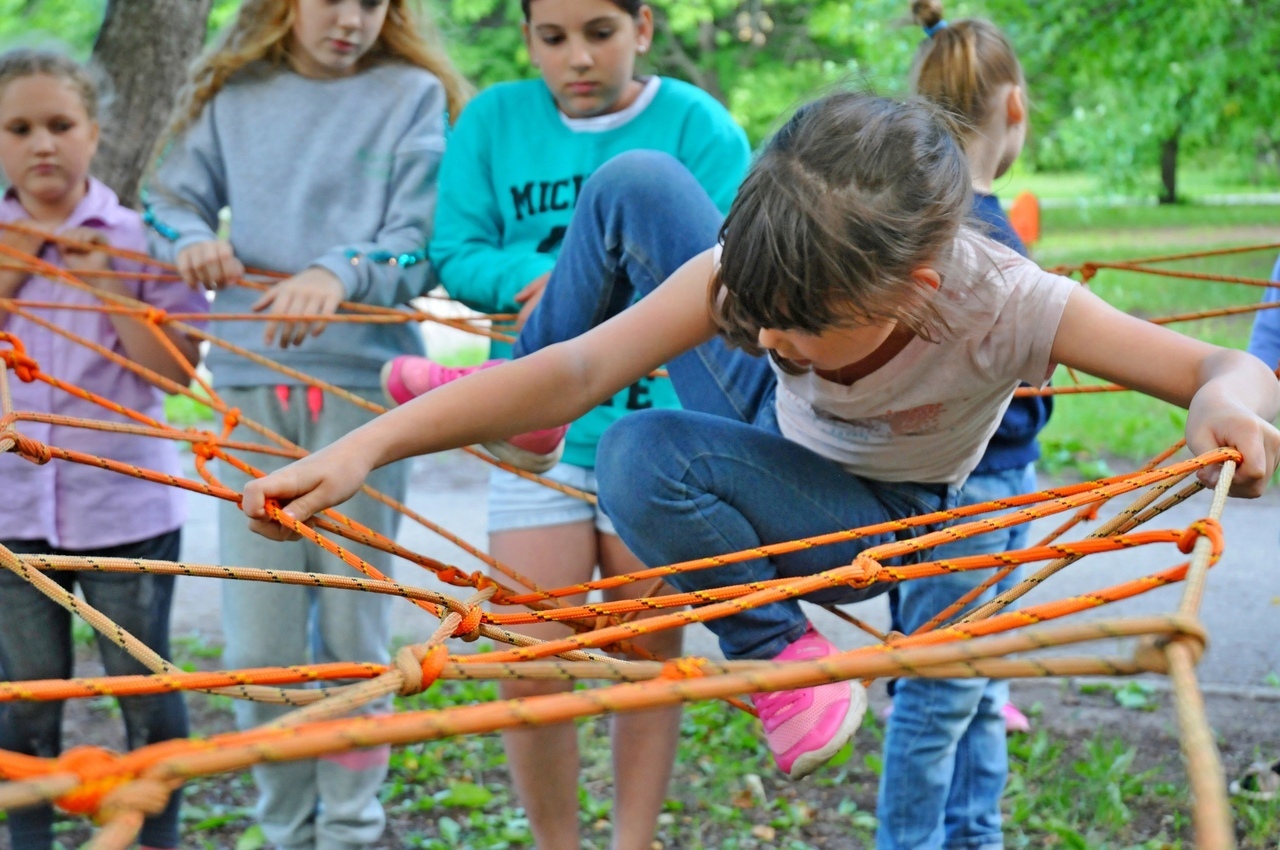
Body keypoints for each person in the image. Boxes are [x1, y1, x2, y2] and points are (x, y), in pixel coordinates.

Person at [239, 90, 1280, 832]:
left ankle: (776, 652)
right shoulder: (762, 286)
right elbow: (582, 364)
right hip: (776, 430)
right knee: (636, 182)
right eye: (754, 315)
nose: (767, 335)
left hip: (882, 504)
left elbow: (1218, 364)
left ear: (910, 287)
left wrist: (1226, 405)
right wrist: (365, 443)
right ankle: (519, 434)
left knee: (643, 456)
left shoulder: (1002, 305)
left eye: (795, 326)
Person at [379, 2, 748, 847]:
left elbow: (730, 264)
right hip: (535, 432)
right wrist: (536, 277)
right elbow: (454, 252)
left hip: (657, 432)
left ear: (644, 28)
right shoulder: (493, 120)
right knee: (531, 665)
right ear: (528, 40)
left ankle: (633, 840)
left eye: (600, 33)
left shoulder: (700, 128)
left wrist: (603, 287)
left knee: (647, 654)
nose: (577, 56)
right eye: (554, 38)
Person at [144, 2, 469, 848]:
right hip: (255, 388)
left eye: (375, 3)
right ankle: (285, 827)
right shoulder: (235, 96)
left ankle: (353, 828)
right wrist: (188, 241)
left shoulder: (411, 94)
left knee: (360, 621)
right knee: (260, 629)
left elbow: (417, 248)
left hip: (370, 398)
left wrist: (342, 271)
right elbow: (166, 203)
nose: (352, 19)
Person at [0, 49, 207, 850]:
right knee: (22, 698)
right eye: (19, 129)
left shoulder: (138, 239)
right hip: (13, 514)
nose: (42, 145)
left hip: (127, 508)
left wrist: (115, 288)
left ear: (96, 132)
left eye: (60, 125)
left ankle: (155, 838)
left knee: (147, 692)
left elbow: (177, 371)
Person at [873, 2, 1047, 847]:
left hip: (997, 488)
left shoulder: (951, 222)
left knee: (980, 683)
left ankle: (974, 837)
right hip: (965, 490)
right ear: (1013, 107)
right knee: (940, 689)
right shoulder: (964, 232)